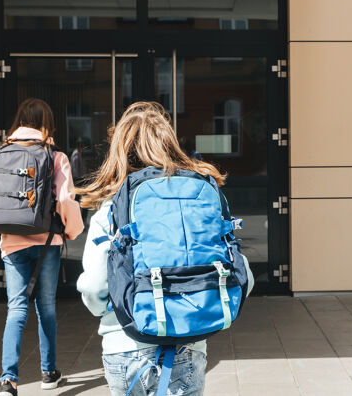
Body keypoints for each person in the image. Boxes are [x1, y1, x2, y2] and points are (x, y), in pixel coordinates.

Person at [76, 102, 253, 396]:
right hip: (187, 346)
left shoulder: (111, 210)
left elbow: (94, 288)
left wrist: (108, 311)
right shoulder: (200, 197)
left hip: (124, 345)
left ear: (119, 149)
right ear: (171, 145)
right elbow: (241, 274)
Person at [0, 98, 85, 396]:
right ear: (48, 123)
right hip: (47, 242)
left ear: (20, 120)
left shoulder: (2, 153)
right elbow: (66, 200)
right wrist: (71, 231)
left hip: (12, 242)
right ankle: (48, 373)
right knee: (46, 308)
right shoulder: (55, 156)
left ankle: (9, 381)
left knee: (15, 308)